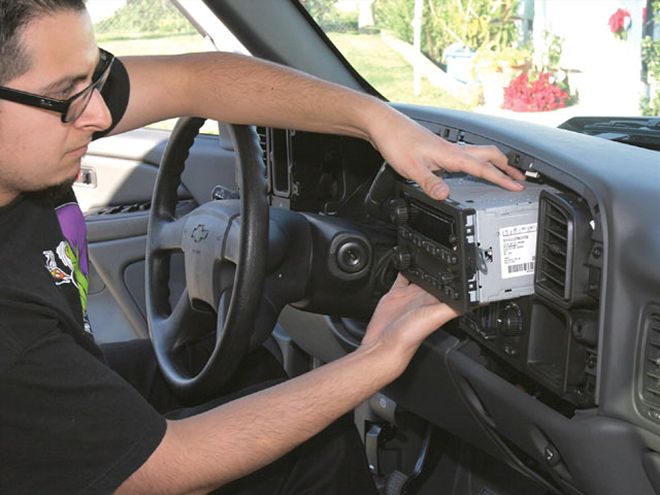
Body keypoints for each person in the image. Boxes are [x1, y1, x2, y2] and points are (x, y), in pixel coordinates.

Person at [0, 1, 527, 493]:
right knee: (312, 450)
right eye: (68, 96)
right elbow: (168, 470)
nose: (98, 115)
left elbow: (196, 78)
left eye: (98, 77)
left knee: (235, 367)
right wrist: (377, 357)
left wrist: (380, 122)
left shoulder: (34, 121)